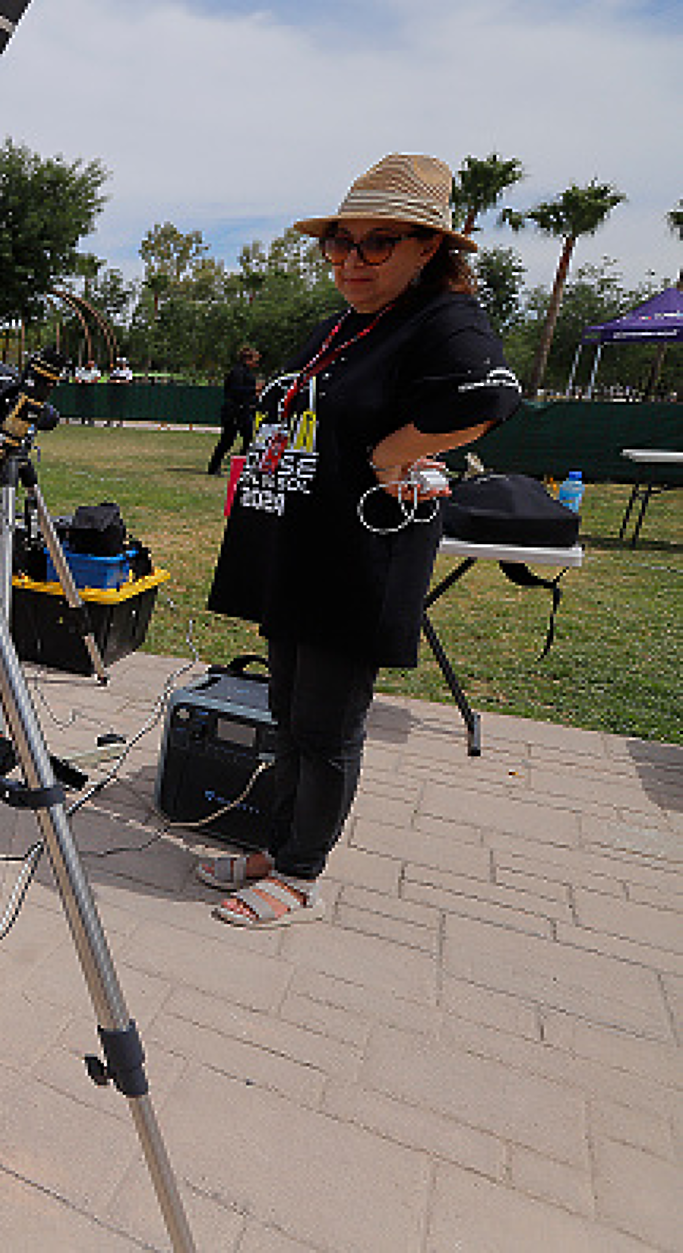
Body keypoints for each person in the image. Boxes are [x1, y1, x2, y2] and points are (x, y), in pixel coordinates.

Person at [201, 154, 520, 928]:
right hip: (302, 550)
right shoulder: (341, 327)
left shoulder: (443, 318)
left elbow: (490, 397)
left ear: (426, 249)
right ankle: (279, 844)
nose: (351, 260)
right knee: (285, 708)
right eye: (340, 243)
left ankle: (302, 871)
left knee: (326, 723)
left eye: (378, 244)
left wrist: (393, 452)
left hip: (359, 561)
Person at [206, 345, 262, 475]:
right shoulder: (237, 372)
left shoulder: (247, 373)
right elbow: (235, 391)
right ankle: (214, 467)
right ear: (248, 359)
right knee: (227, 440)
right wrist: (255, 390)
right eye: (255, 359)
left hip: (244, 410)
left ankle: (243, 467)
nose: (256, 363)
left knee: (248, 438)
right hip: (234, 410)